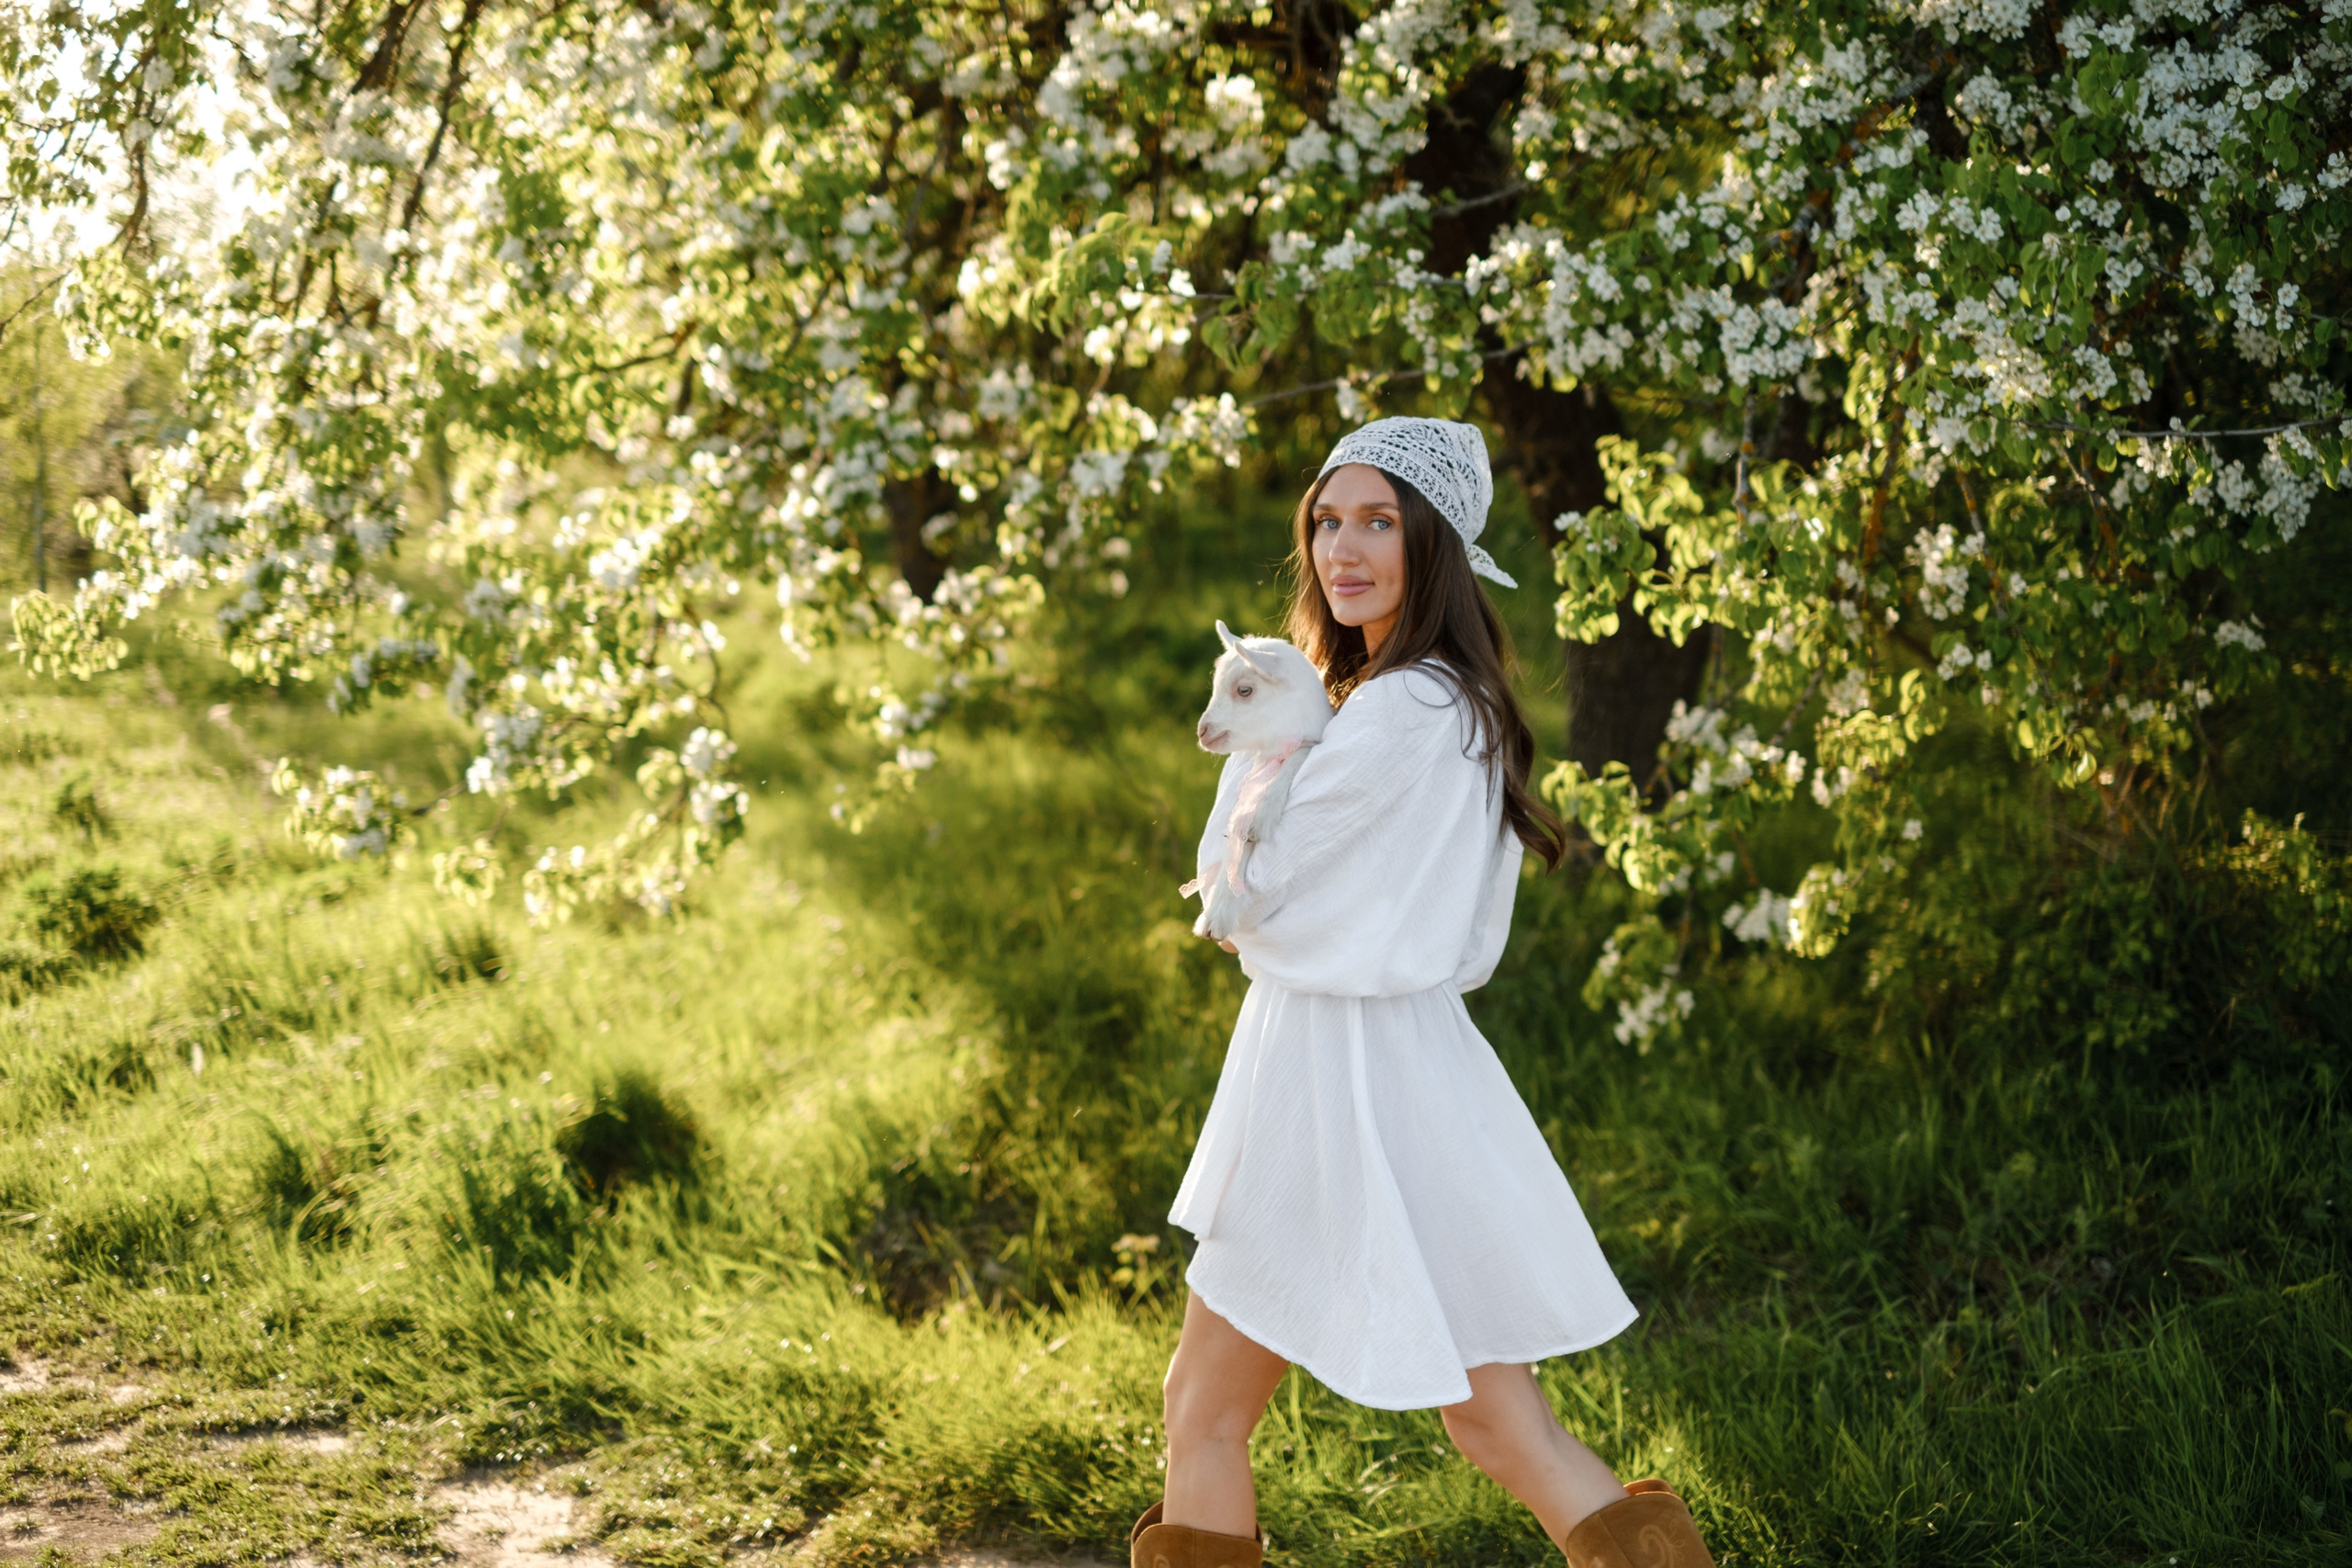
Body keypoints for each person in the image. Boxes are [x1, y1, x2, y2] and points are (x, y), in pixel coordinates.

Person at [1129, 419, 1716, 1568]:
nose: (1342, 551)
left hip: (1333, 1084)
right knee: (1497, 1422)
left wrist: (1262, 777)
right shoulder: (1437, 696)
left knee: (1204, 1411)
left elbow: (1248, 899)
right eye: (1327, 522)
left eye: (1378, 523)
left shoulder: (1403, 709)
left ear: (1432, 543)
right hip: (1394, 1073)